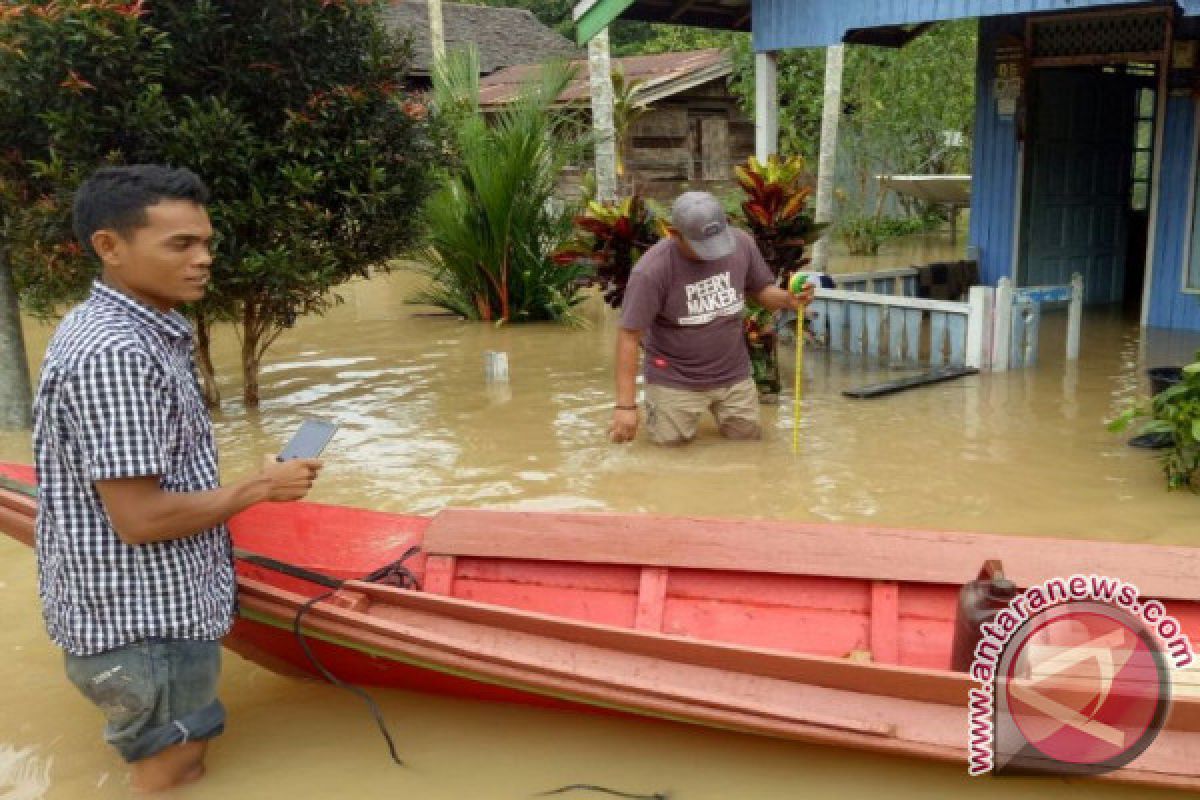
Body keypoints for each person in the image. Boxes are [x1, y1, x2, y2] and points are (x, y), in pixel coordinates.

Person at [32, 165, 323, 792]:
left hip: (135, 617)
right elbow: (141, 520)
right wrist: (259, 489)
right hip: (145, 629)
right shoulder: (118, 355)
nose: (204, 259)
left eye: (207, 243)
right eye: (181, 244)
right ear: (109, 247)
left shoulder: (137, 332)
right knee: (174, 772)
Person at [609, 191, 814, 445]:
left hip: (734, 375)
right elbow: (629, 336)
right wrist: (625, 407)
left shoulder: (741, 244)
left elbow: (761, 290)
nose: (714, 254)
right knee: (668, 455)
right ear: (674, 234)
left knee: (748, 446)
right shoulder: (651, 272)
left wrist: (788, 300)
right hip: (675, 380)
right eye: (701, 247)